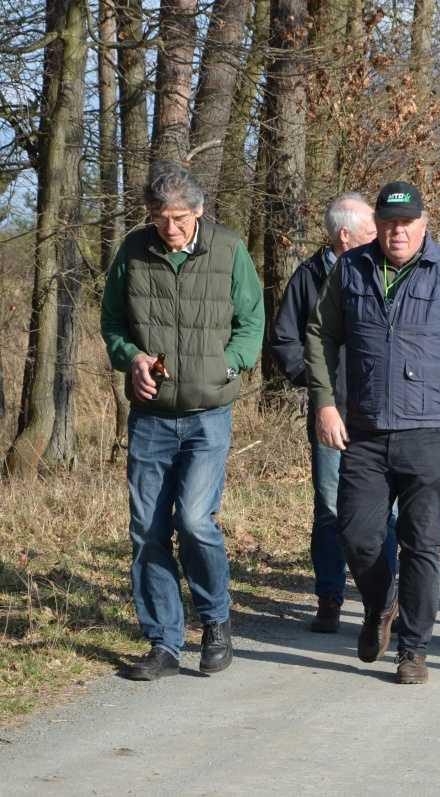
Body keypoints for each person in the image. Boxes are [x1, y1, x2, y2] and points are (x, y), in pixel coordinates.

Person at [305, 181, 440, 685]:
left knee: (422, 544)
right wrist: (325, 404)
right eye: (389, 223)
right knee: (356, 533)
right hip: (365, 431)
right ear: (377, 224)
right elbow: (320, 335)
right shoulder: (351, 268)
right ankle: (380, 603)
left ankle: (413, 649)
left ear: (423, 223)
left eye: (406, 223)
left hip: (429, 430)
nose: (397, 232)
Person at [101, 161, 265, 680]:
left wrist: (229, 363)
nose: (169, 228)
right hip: (150, 416)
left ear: (198, 211)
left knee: (195, 522)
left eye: (177, 218)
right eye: (158, 218)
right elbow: (112, 322)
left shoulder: (228, 248)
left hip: (207, 413)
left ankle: (216, 622)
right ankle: (164, 645)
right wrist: (131, 358)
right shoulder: (133, 250)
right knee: (147, 532)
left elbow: (251, 322)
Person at [269, 193, 398, 633]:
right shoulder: (307, 277)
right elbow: (285, 341)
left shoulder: (382, 270)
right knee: (329, 508)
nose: (379, 236)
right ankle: (329, 598)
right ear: (345, 236)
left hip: (381, 414)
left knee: (383, 513)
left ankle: (385, 601)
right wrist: (318, 384)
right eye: (369, 230)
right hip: (331, 415)